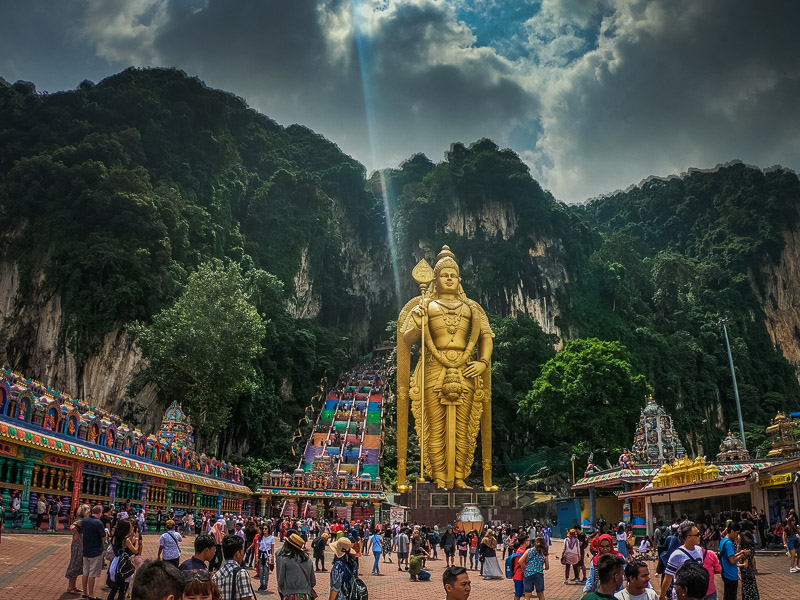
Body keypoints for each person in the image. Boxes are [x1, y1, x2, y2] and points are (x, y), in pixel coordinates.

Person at [659, 522, 704, 600]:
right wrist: (662, 595)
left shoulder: (699, 550)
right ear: (688, 538)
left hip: (697, 594)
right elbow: (668, 577)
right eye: (697, 535)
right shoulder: (677, 555)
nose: (700, 537)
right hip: (681, 595)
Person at [212, 535, 256, 600]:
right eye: (242, 552)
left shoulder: (216, 576)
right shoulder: (241, 573)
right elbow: (247, 598)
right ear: (237, 554)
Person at [276, 532, 316, 599]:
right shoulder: (308, 560)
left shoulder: (285, 560)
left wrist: (282, 591)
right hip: (305, 596)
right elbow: (313, 582)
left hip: (289, 595)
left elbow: (281, 581)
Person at [108, 519, 139, 600]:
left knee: (114, 589)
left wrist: (132, 535)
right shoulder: (126, 540)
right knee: (122, 589)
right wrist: (136, 540)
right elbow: (135, 550)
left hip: (116, 562)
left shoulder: (115, 537)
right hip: (124, 564)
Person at [82, 504, 107, 600]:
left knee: (85, 572)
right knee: (92, 574)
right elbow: (103, 539)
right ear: (99, 513)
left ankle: (85, 592)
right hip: (95, 550)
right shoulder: (98, 523)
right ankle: (91, 594)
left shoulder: (85, 520)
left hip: (86, 549)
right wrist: (106, 533)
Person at [65, 503, 91, 595]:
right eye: (88, 510)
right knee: (75, 563)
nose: (89, 512)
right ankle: (70, 587)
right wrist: (76, 534)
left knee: (78, 563)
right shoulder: (80, 520)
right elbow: (72, 527)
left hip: (80, 544)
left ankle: (73, 586)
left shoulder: (83, 520)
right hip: (78, 545)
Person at [719, 521, 748, 600]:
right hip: (731, 574)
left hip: (725, 573)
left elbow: (729, 556)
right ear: (732, 531)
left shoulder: (723, 540)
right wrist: (743, 554)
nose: (737, 536)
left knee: (727, 596)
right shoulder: (729, 543)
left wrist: (740, 553)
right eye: (736, 533)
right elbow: (732, 560)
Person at [520, 535, 548, 600]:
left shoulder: (529, 551)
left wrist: (525, 568)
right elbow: (547, 567)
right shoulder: (544, 553)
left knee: (527, 595)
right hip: (538, 574)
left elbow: (520, 561)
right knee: (540, 594)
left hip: (528, 573)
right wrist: (541, 567)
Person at [739, 530, 759, 600]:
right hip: (750, 572)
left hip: (746, 572)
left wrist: (738, 565)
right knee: (752, 590)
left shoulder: (745, 550)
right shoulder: (751, 548)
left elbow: (745, 564)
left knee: (747, 591)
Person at [256, 523, 276, 592]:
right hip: (261, 554)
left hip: (267, 555)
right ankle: (261, 584)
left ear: (268, 529)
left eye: (265, 528)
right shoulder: (260, 537)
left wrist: (272, 556)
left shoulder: (272, 538)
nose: (264, 530)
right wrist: (256, 556)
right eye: (263, 529)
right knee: (261, 570)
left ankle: (265, 585)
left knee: (266, 570)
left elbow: (272, 548)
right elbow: (258, 547)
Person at [510, 534, 529, 600]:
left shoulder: (521, 550)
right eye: (528, 540)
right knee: (518, 595)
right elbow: (521, 564)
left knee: (520, 594)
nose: (529, 542)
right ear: (525, 542)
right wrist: (526, 573)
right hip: (519, 575)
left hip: (519, 575)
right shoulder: (521, 552)